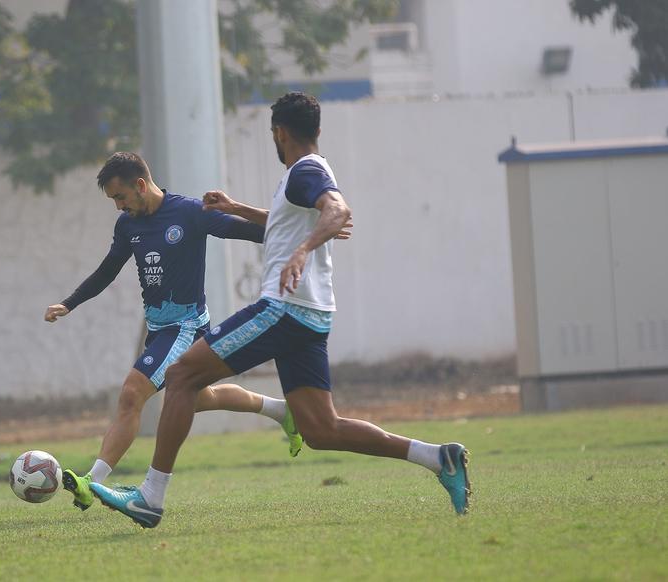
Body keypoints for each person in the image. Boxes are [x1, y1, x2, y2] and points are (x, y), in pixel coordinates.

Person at [89, 92, 471, 528]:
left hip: (284, 308)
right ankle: (439, 459)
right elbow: (289, 220)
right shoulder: (310, 171)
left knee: (180, 376)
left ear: (280, 133)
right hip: (313, 314)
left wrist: (304, 250)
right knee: (320, 430)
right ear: (317, 130)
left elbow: (337, 209)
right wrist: (236, 209)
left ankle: (150, 498)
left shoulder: (303, 172)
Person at [45, 152, 334, 512]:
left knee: (132, 393)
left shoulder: (189, 212)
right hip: (160, 328)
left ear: (139, 185)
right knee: (199, 398)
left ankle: (92, 482)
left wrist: (304, 239)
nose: (118, 207)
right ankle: (282, 411)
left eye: (120, 197)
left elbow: (242, 229)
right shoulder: (128, 226)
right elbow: (107, 271)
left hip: (185, 325)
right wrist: (69, 303)